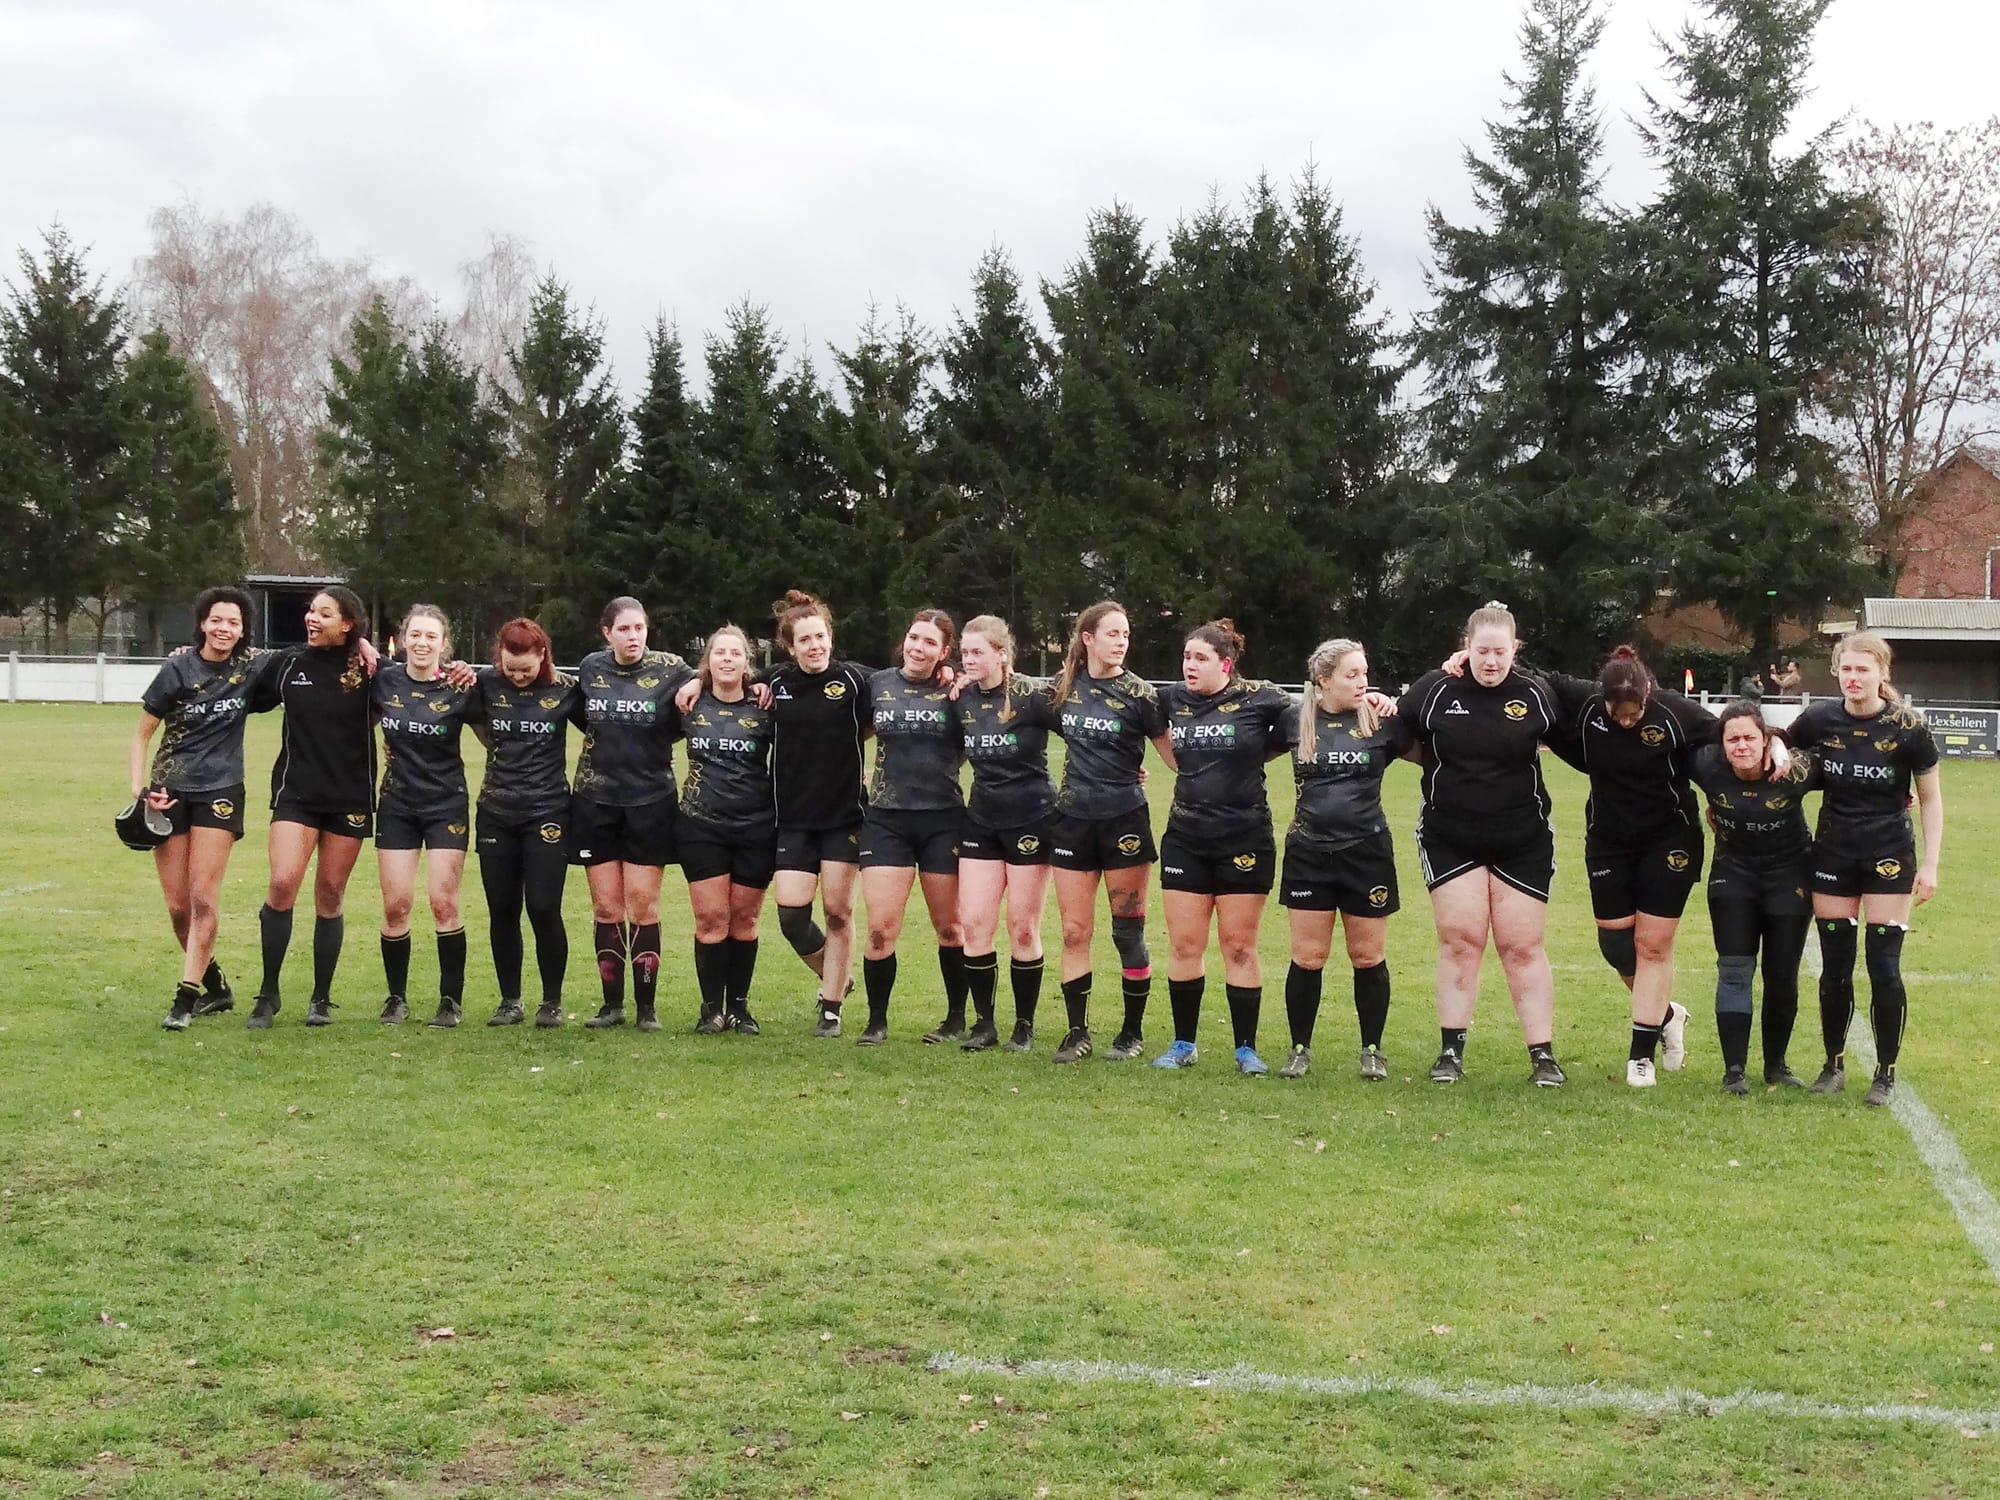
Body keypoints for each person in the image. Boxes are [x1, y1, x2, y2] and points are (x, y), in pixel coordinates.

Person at [1400, 603, 1567, 1087]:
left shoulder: (1536, 694)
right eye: (1481, 651)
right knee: (1461, 941)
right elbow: (1396, 734)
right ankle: (1450, 1052)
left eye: (1500, 652)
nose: (1491, 661)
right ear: (1465, 647)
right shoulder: (1435, 688)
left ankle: (1543, 1056)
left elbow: (1579, 741)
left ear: (1515, 650)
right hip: (1450, 838)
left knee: (1522, 947)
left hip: (1523, 839)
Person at [1540, 646, 1715, 1088]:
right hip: (1609, 841)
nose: (1624, 722)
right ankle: (1667, 1015)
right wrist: (1465, 660)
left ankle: (1641, 1056)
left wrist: (1772, 747)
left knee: (1652, 945)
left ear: (1647, 693)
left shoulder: (1675, 711)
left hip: (1670, 840)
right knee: (1616, 946)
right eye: (1615, 715)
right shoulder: (1586, 703)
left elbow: (1731, 733)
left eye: (1633, 715)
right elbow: (1539, 676)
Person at [1786, 633, 1944, 1106]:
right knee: (1835, 966)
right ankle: (1832, 1065)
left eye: (1863, 669)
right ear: (1837, 671)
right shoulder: (1819, 719)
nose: (1853, 678)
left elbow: (1931, 799)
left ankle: (1885, 1073)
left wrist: (1930, 864)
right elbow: (1778, 749)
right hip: (1833, 854)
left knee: (1884, 966)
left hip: (1889, 857)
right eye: (1846, 669)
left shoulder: (1909, 726)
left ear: (1882, 673)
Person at [1151, 621, 1295, 1074]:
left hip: (1245, 837)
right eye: (1186, 657)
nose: (1189, 666)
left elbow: (1312, 716)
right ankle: (1183, 1044)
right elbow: (1132, 723)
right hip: (1185, 837)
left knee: (1239, 946)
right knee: (1185, 945)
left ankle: (1246, 1049)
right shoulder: (1169, 699)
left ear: (1226, 665)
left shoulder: (1262, 697)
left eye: (1200, 658)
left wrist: (1373, 700)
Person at [128, 586, 272, 1029]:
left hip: (221, 792)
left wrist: (365, 645)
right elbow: (142, 734)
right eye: (217, 620)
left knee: (203, 897)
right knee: (178, 909)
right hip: (169, 793)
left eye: (234, 622)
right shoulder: (177, 667)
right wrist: (140, 791)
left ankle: (184, 998)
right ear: (203, 624)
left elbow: (308, 657)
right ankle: (216, 987)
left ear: (244, 630)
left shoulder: (252, 666)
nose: (224, 628)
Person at [1277, 637, 1416, 1080]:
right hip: (1308, 853)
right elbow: (1244, 755)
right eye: (1351, 674)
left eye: (1365, 674)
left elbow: (1436, 758)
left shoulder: (1382, 721)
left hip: (1367, 853)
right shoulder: (1294, 719)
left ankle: (1372, 1050)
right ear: (1323, 680)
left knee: (1367, 955)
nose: (1362, 682)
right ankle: (1299, 1049)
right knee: (1308, 956)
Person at [1046, 601, 1173, 1065]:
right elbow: (1013, 705)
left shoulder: (1141, 694)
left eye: (1126, 634)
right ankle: (1076, 1032)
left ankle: (1131, 1032)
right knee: (1074, 931)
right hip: (1072, 821)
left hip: (1125, 822)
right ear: (1088, 638)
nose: (1122, 642)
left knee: (1127, 932)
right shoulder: (1063, 687)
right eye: (1113, 633)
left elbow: (1175, 758)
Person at [245, 586, 378, 1028]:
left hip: (350, 796)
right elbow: (238, 684)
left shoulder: (370, 669)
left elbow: (421, 681)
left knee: (330, 894)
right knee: (283, 882)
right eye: (311, 611)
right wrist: (191, 657)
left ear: (348, 624)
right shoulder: (288, 663)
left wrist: (458, 671)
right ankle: (268, 994)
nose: (312, 618)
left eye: (325, 613)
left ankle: (321, 998)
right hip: (296, 794)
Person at [571, 596, 693, 1032]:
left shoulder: (672, 669)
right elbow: (584, 717)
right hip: (595, 800)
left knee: (642, 905)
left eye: (639, 628)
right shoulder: (590, 668)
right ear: (607, 633)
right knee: (606, 907)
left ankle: (646, 1007)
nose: (633, 636)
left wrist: (696, 685)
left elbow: (711, 678)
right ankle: (612, 1006)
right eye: (623, 629)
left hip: (650, 801)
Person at [1688, 702, 1818, 1094]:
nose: (1741, 746)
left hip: (1789, 876)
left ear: (1764, 741)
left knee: (1781, 974)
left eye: (1750, 738)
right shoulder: (1706, 764)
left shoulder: (1794, 769)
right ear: (1722, 744)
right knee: (1734, 969)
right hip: (1734, 874)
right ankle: (1734, 1071)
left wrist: (1898, 795)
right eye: (1733, 739)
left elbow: (1848, 775)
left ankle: (1776, 1066)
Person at [762, 591, 874, 1038]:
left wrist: (945, 670)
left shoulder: (855, 680)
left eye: (821, 637)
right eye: (805, 640)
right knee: (791, 916)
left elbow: (897, 692)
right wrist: (695, 683)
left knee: (837, 912)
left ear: (831, 637)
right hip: (792, 818)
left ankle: (831, 1007)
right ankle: (838, 976)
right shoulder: (775, 683)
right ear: (791, 647)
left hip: (844, 816)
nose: (815, 646)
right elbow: (728, 678)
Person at [857, 609, 968, 1047]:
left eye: (929, 643)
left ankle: (955, 1019)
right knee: (880, 929)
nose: (918, 648)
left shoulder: (956, 692)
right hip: (886, 819)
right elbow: (848, 731)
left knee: (950, 928)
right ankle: (876, 1022)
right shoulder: (877, 685)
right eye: (914, 638)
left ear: (944, 651)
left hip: (943, 820)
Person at [466, 617, 580, 1028]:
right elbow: (465, 717)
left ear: (542, 655)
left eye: (526, 669)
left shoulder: (567, 689)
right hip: (496, 811)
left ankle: (552, 1001)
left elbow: (606, 726)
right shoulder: (484, 684)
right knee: (502, 909)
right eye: (510, 668)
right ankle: (510, 1000)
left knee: (544, 907)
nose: (517, 676)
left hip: (548, 811)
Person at [953, 615, 1059, 1053]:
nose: (968, 659)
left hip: (1032, 820)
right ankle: (984, 1024)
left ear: (1001, 653)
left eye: (977, 652)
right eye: (964, 652)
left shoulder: (1033, 695)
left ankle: (1024, 1025)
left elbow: (1082, 731)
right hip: (981, 820)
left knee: (1022, 927)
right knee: (974, 923)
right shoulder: (960, 697)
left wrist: (1126, 767)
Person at [372, 605, 476, 1028]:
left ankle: (450, 1000)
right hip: (397, 804)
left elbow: (496, 733)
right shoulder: (384, 680)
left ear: (443, 644)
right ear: (403, 638)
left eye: (431, 636)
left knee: (443, 901)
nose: (422, 643)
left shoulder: (461, 684)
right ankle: (396, 998)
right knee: (396, 905)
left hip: (446, 804)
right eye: (415, 634)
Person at [675, 624, 777, 1036]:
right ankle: (710, 1010)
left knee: (745, 919)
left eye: (736, 653)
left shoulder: (765, 706)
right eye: (720, 653)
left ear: (747, 662)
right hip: (701, 825)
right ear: (708, 661)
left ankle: (738, 1008)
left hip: (756, 826)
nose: (728, 659)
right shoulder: (688, 702)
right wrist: (692, 683)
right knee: (711, 919)